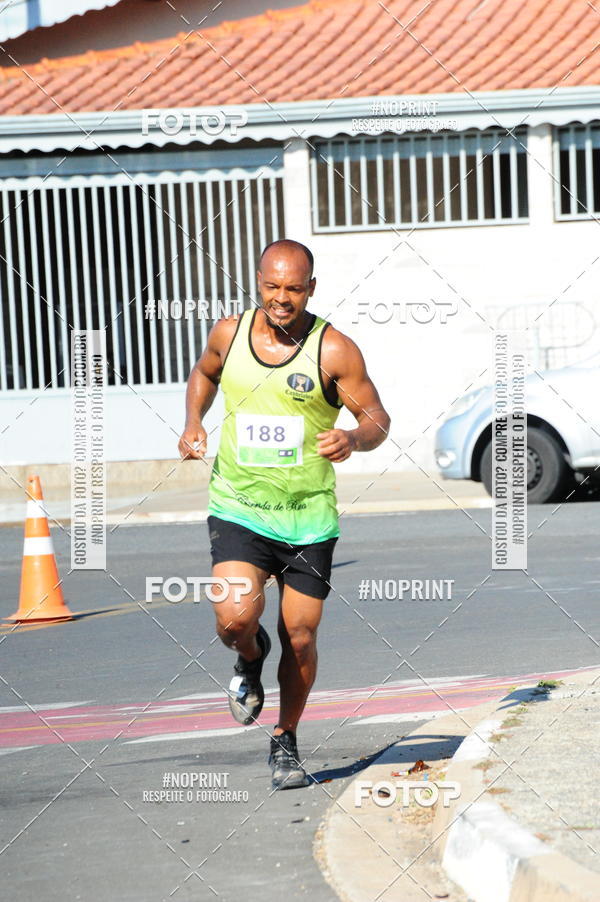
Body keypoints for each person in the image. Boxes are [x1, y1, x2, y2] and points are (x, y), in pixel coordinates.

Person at [178, 239, 390, 789]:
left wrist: (353, 438)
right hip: (239, 507)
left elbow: (377, 419)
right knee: (234, 621)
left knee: (300, 636)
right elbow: (204, 375)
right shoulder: (229, 333)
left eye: (293, 288)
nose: (281, 298)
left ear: (310, 289)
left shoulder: (334, 350)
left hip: (308, 518)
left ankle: (286, 739)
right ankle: (250, 657)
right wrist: (194, 422)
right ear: (258, 282)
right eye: (271, 287)